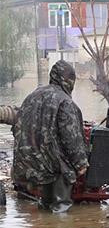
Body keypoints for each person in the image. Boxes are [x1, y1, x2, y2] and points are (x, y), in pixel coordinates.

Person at [12, 60, 89, 213]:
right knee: (61, 208)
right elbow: (71, 139)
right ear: (69, 80)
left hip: (26, 165)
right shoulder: (65, 102)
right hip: (53, 167)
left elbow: (17, 128)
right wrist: (81, 164)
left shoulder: (32, 96)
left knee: (45, 204)